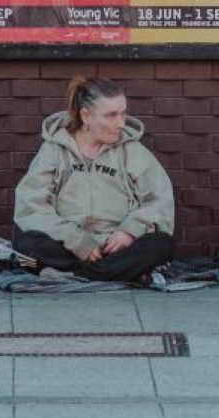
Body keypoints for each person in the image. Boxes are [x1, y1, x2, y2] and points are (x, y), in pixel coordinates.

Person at [12, 75, 176, 283]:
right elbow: (31, 207)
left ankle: (80, 275)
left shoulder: (132, 150)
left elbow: (160, 200)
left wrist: (130, 232)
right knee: (26, 243)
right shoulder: (54, 150)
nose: (120, 123)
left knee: (161, 245)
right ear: (86, 116)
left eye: (123, 114)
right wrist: (78, 242)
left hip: (117, 248)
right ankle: (110, 273)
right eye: (111, 115)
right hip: (68, 248)